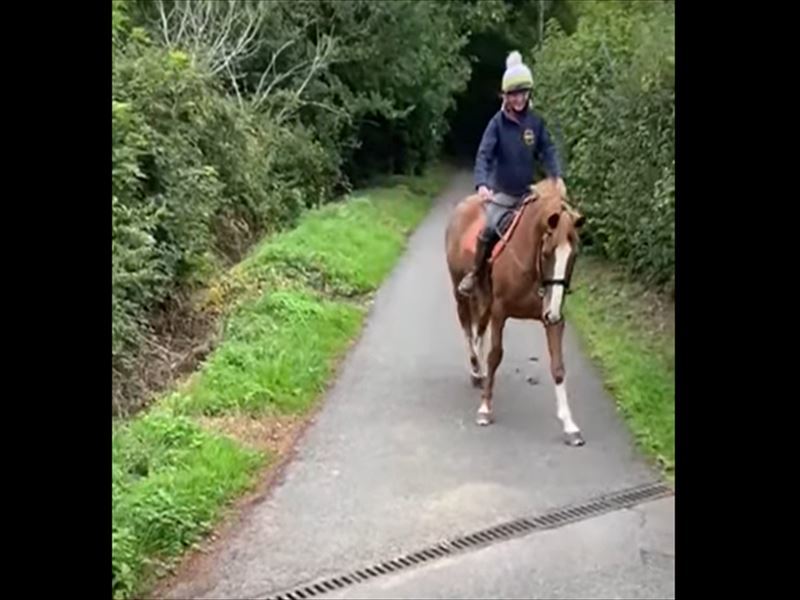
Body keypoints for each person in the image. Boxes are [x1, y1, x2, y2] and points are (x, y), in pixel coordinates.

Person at [457, 50, 567, 297]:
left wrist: (556, 175)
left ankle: (549, 282)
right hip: (504, 194)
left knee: (554, 227)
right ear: (506, 96)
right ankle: (475, 275)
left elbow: (547, 149)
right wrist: (482, 184)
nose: (519, 99)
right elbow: (484, 155)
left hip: (528, 195)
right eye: (514, 94)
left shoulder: (535, 123)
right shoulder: (497, 124)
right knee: (487, 230)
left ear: (529, 94)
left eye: (523, 93)